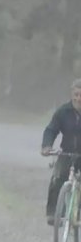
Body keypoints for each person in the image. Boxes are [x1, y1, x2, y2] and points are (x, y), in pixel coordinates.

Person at [41, 78, 81, 226]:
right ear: (71, 94)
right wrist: (46, 146)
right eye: (76, 94)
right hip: (68, 153)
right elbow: (51, 130)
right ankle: (53, 213)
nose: (78, 98)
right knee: (57, 177)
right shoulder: (63, 112)